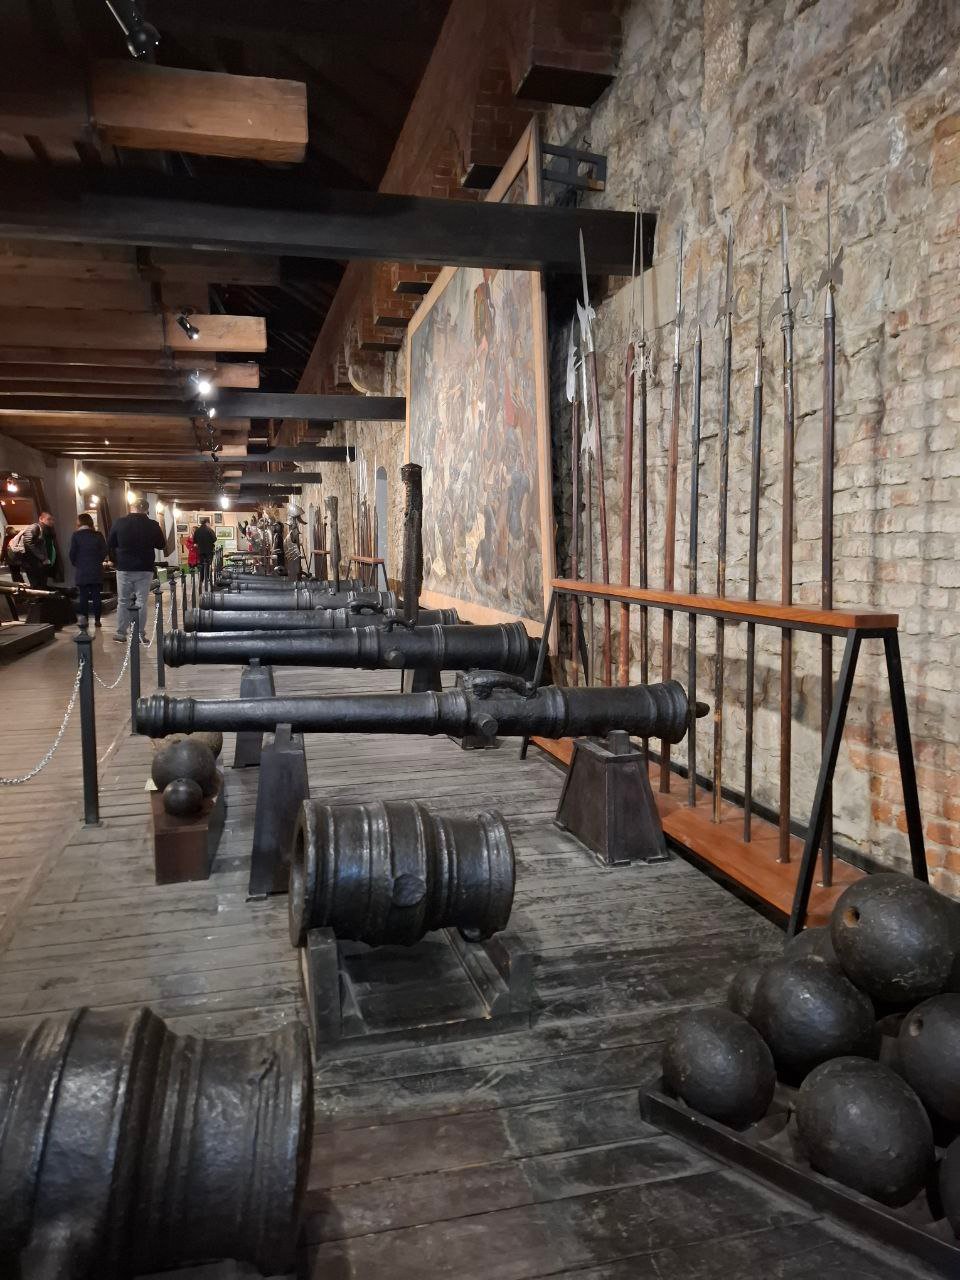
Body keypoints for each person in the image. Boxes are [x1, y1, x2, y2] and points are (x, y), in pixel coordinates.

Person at [106, 498, 164, 643]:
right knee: (141, 601)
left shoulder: (120, 522)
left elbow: (111, 543)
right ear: (146, 509)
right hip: (145, 567)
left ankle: (121, 633)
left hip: (124, 566)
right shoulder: (153, 525)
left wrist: (117, 558)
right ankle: (139, 634)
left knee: (123, 600)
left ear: (132, 507)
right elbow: (161, 544)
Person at [68, 513, 107, 627]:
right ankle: (97, 620)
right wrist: (98, 561)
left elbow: (72, 553)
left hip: (82, 570)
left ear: (80, 522)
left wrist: (77, 563)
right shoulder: (98, 535)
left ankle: (84, 620)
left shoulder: (76, 535)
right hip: (96, 569)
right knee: (96, 595)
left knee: (83, 596)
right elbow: (104, 551)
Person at [6, 511, 56, 590]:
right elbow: (28, 543)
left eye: (52, 519)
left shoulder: (45, 529)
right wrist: (43, 558)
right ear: (41, 519)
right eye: (49, 519)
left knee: (40, 583)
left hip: (35, 562)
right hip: (30, 562)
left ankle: (39, 595)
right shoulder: (34, 527)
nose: (51, 521)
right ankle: (36, 596)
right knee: (36, 584)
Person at [192, 517, 217, 590]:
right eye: (209, 523)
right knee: (208, 565)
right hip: (209, 551)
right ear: (207, 523)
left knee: (202, 565)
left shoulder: (197, 531)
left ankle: (202, 579)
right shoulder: (209, 530)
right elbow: (214, 539)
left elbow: (195, 541)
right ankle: (208, 578)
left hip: (201, 551)